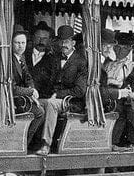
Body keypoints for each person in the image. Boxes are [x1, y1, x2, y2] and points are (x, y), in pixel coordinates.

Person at [38, 25, 88, 155]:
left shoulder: (81, 61)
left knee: (51, 104)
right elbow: (43, 78)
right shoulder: (54, 58)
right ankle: (30, 141)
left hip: (72, 102)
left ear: (73, 43)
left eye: (66, 41)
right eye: (60, 41)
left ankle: (46, 144)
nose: (63, 44)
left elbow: (80, 90)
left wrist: (57, 94)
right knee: (36, 103)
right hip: (53, 98)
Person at [10, 27, 46, 154]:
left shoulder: (21, 57)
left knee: (40, 107)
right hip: (8, 99)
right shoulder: (8, 60)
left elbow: (28, 77)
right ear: (11, 44)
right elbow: (12, 88)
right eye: (17, 43)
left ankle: (24, 142)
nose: (20, 46)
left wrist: (32, 89)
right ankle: (24, 143)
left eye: (23, 43)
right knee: (39, 112)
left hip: (20, 97)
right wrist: (29, 93)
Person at [29, 23, 57, 99]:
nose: (41, 41)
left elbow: (53, 83)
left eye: (44, 38)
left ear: (50, 40)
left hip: (42, 99)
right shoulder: (24, 55)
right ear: (32, 38)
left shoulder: (53, 60)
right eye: (38, 37)